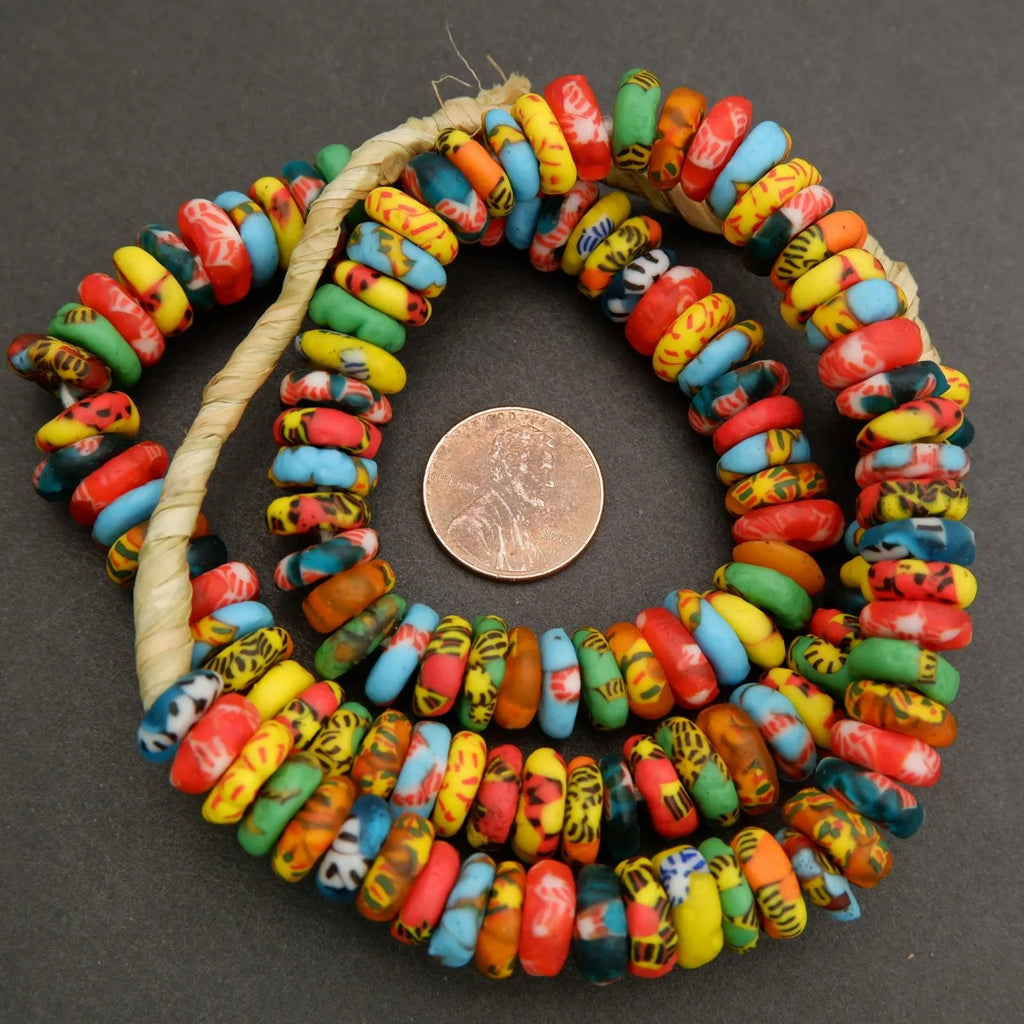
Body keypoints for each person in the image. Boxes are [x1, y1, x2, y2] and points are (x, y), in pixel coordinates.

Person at [447, 425, 556, 573]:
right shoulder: (469, 527)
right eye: (542, 471)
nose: (549, 483)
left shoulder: (520, 522)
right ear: (509, 467)